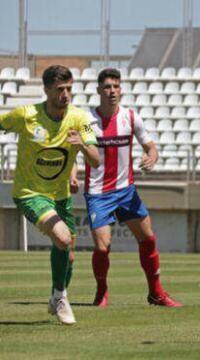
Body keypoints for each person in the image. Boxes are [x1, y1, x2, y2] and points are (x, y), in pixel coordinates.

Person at [70, 68, 181, 308]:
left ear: (121, 90)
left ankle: (156, 293)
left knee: (148, 239)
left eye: (116, 87)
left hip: (126, 191)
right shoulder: (87, 121)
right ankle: (101, 291)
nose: (112, 91)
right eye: (107, 87)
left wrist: (152, 157)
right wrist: (73, 175)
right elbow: (78, 150)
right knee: (103, 246)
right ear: (99, 90)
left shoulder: (131, 118)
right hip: (98, 193)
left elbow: (150, 147)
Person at [0, 65, 101, 325]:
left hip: (61, 196)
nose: (65, 95)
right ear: (46, 90)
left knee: (67, 252)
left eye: (69, 89)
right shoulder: (25, 115)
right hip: (29, 192)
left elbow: (96, 159)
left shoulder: (82, 120)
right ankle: (60, 297)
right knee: (63, 237)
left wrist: (82, 145)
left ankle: (56, 296)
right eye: (59, 90)